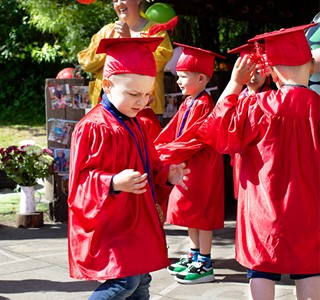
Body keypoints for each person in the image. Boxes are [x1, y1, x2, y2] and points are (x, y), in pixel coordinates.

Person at [195, 24, 320, 299]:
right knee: (310, 268)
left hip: (263, 209)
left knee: (261, 268)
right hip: (310, 208)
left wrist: (234, 83)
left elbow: (214, 133)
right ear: (311, 67)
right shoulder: (317, 107)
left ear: (272, 72)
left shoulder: (258, 105)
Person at [68, 36, 190, 299]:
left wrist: (167, 174)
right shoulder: (94, 127)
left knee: (142, 280)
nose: (142, 101)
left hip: (137, 221)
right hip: (114, 222)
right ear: (108, 84)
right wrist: (112, 183)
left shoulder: (136, 123)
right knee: (124, 283)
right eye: (134, 94)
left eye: (147, 94)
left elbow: (150, 163)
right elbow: (80, 181)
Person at [154, 43, 225, 284]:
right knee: (191, 213)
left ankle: (204, 262)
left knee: (201, 213)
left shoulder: (205, 104)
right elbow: (173, 130)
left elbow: (194, 137)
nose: (179, 81)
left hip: (201, 165)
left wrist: (168, 152)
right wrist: (158, 147)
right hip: (188, 163)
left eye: (184, 76)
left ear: (202, 78)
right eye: (179, 76)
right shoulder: (190, 101)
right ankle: (194, 256)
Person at [77, 0, 174, 117]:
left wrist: (128, 42)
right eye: (115, 1)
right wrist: (109, 47)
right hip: (107, 108)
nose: (119, 4)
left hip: (144, 109)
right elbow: (86, 63)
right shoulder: (107, 31)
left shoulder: (156, 31)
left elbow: (159, 61)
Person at [227, 43, 272, 200]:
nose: (253, 77)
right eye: (249, 71)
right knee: (242, 197)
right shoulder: (237, 97)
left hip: (261, 157)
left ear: (267, 72)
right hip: (240, 156)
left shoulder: (270, 98)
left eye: (258, 71)